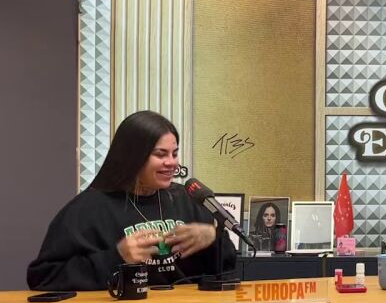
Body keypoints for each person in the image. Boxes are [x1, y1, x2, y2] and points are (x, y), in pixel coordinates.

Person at [27, 110, 237, 291]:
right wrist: (116, 258)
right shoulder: (87, 209)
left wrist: (214, 238)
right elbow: (43, 278)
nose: (172, 163)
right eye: (161, 154)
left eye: (174, 154)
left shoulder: (186, 199)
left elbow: (227, 267)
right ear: (133, 157)